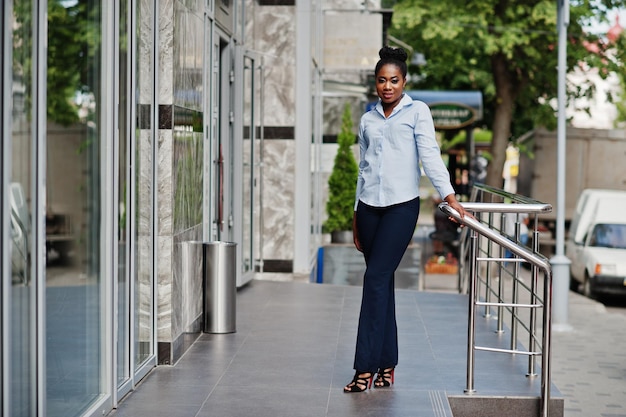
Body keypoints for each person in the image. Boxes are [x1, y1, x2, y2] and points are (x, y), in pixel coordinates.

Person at [344, 46, 467, 393]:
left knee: (375, 278)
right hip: (369, 210)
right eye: (382, 80)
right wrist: (356, 214)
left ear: (404, 81)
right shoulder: (368, 119)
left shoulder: (418, 112)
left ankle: (364, 367)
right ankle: (387, 364)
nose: (387, 86)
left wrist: (450, 197)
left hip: (401, 208)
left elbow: (430, 155)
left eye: (394, 80)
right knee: (382, 285)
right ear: (375, 83)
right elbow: (363, 169)